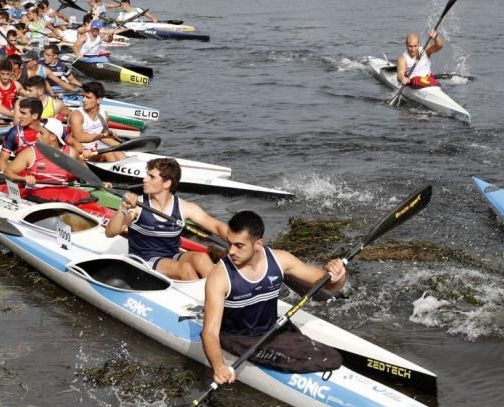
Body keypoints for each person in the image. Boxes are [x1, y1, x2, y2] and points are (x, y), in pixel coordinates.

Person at [201, 210, 346, 383]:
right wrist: (219, 367)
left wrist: (338, 275)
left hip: (271, 330)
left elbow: (328, 285)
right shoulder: (220, 276)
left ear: (258, 243)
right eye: (229, 243)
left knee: (327, 356)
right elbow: (209, 333)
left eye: (239, 245)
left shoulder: (280, 259)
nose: (231, 251)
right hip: (237, 337)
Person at [105, 158, 229, 280]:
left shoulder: (185, 207)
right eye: (147, 175)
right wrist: (123, 208)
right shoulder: (138, 206)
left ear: (167, 183)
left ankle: (221, 293)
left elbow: (216, 227)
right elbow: (110, 232)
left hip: (172, 255)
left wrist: (239, 241)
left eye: (151, 177)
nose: (144, 179)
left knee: (202, 258)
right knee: (184, 269)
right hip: (145, 260)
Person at [67, 80, 124, 162]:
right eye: (83, 96)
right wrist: (102, 135)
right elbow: (79, 137)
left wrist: (122, 146)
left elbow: (104, 138)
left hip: (95, 149)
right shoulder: (77, 115)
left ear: (98, 100)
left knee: (118, 151)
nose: (84, 100)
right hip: (79, 151)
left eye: (88, 97)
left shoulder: (104, 115)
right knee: (108, 153)